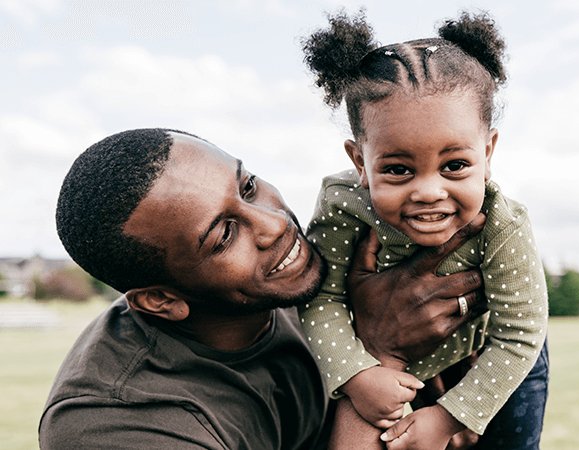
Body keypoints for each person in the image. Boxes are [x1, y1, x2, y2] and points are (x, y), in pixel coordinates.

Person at [39, 128, 488, 450]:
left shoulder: (327, 273)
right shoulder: (111, 423)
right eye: (224, 236)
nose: (275, 224)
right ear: (162, 300)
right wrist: (380, 353)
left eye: (248, 187)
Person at [300, 10, 549, 450]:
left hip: (495, 358)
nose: (429, 191)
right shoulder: (344, 204)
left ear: (488, 153)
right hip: (382, 362)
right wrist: (356, 375)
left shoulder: (503, 224)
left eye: (454, 165)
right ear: (360, 162)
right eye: (398, 169)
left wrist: (451, 417)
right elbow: (321, 299)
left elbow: (520, 333)